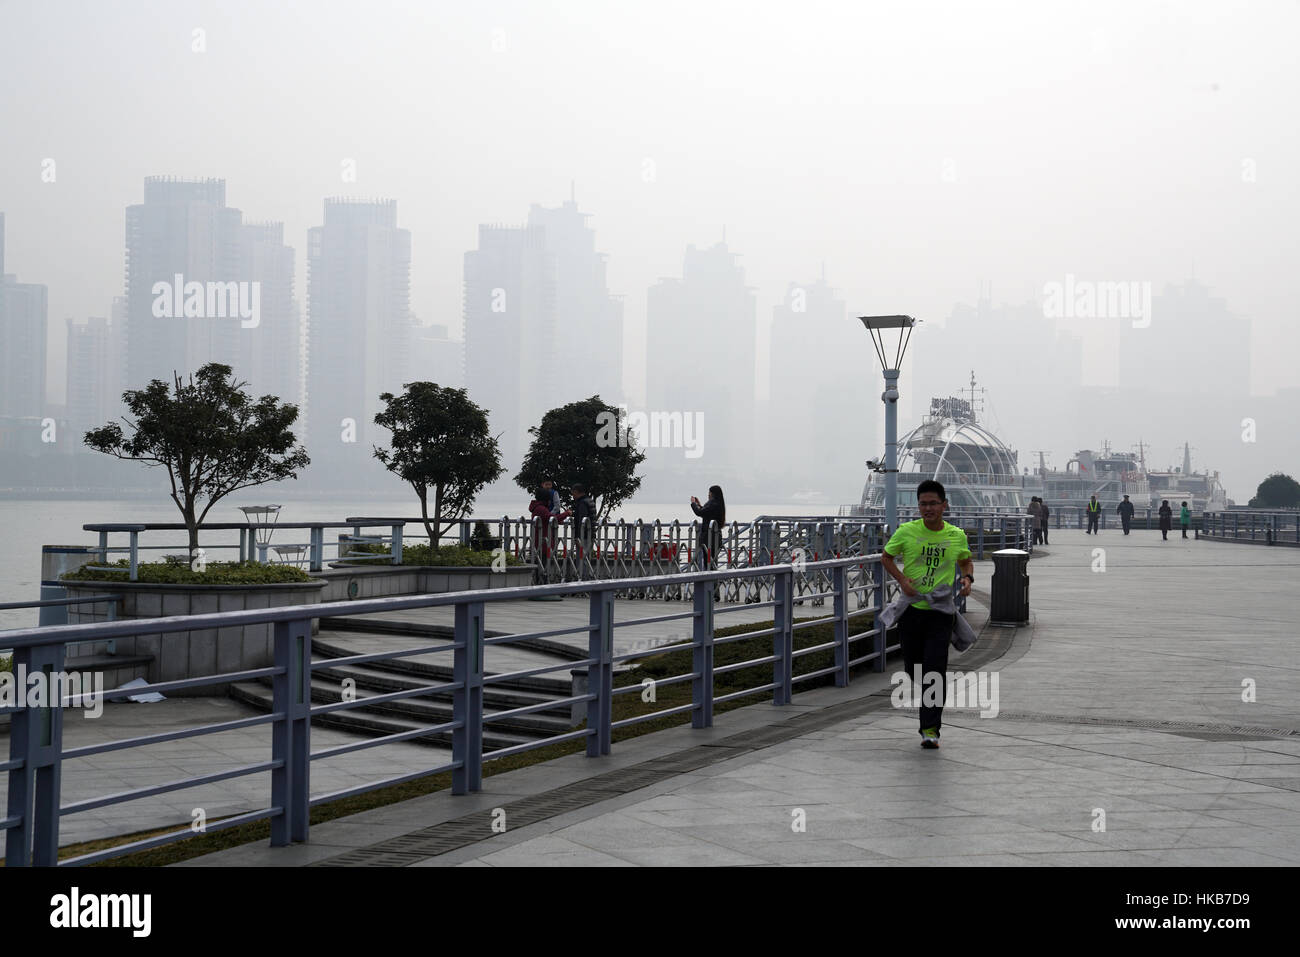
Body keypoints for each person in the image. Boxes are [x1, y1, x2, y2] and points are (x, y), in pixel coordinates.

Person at [880, 479, 974, 750]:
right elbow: (886, 557)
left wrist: (967, 579)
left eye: (933, 503)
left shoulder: (956, 535)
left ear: (944, 505)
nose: (928, 508)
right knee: (913, 668)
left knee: (935, 669)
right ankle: (930, 697)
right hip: (911, 611)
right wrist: (902, 580)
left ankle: (930, 729)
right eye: (923, 503)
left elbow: (965, 559)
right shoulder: (907, 531)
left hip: (941, 612)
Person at [689, 485, 726, 569]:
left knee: (708, 562)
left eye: (709, 493)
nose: (708, 495)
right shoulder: (718, 503)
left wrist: (693, 503)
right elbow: (706, 513)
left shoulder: (713, 503)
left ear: (713, 494)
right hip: (715, 537)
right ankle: (713, 581)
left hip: (709, 539)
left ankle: (710, 581)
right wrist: (699, 505)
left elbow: (699, 512)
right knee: (712, 561)